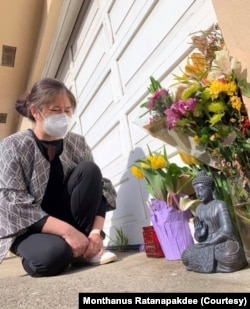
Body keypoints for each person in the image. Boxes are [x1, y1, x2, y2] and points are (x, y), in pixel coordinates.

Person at [0, 77, 118, 277]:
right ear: (36, 112)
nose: (63, 116)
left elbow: (100, 189)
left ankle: (84, 249)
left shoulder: (77, 143)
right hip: (28, 227)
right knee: (53, 257)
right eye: (56, 110)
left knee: (90, 170)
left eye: (67, 110)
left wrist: (95, 234)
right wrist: (68, 233)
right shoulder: (12, 146)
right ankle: (65, 250)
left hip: (70, 220)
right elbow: (13, 204)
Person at [181, 171, 248, 273]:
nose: (198, 193)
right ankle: (218, 266)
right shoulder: (199, 209)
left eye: (201, 189)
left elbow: (227, 230)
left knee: (230, 254)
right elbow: (199, 237)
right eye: (196, 191)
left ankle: (209, 265)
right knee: (185, 255)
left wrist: (211, 242)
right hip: (207, 244)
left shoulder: (220, 205)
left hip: (222, 243)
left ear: (211, 188)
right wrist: (199, 234)